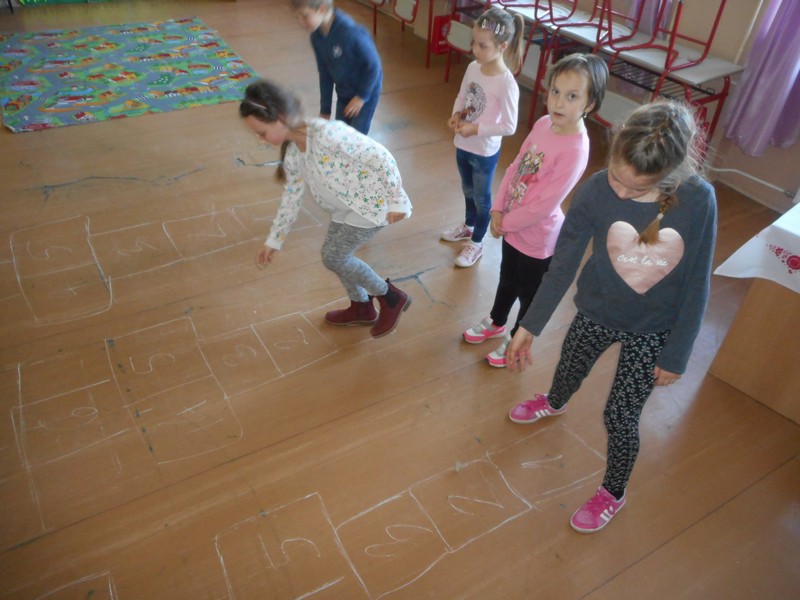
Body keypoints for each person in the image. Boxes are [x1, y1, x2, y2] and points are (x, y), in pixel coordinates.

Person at [505, 100, 717, 533]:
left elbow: (698, 281)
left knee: (620, 416)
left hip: (654, 329)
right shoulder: (596, 189)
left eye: (635, 190)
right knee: (570, 365)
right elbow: (563, 263)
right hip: (597, 309)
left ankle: (613, 491)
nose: (619, 193)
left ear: (669, 174)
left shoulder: (698, 200)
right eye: (616, 178)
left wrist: (676, 354)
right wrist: (530, 325)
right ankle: (555, 400)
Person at [462, 53, 608, 367]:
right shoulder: (543, 124)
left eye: (572, 96)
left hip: (537, 241)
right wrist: (497, 209)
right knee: (506, 279)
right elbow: (516, 165)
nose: (559, 102)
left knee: (529, 293)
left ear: (591, 103)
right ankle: (497, 321)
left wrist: (506, 221)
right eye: (555, 91)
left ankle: (517, 337)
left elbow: (544, 206)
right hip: (511, 227)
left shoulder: (576, 149)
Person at [241, 80, 412, 338]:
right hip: (346, 207)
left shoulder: (328, 134)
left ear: (281, 118)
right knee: (332, 256)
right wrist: (274, 239)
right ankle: (362, 307)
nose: (259, 140)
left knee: (335, 257)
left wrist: (396, 198)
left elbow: (380, 156)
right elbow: (291, 197)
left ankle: (390, 297)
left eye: (261, 133)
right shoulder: (293, 153)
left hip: (371, 205)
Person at [441, 6, 524, 268]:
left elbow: (509, 126)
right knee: (467, 189)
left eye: (482, 45)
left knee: (482, 198)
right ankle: (468, 225)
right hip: (463, 143)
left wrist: (476, 129)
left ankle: (476, 242)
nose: (475, 50)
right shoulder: (473, 67)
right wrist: (456, 115)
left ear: (502, 46)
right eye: (474, 43)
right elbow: (462, 95)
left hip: (484, 151)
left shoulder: (506, 83)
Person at [292, 0, 383, 135]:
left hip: (365, 93)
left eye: (304, 15)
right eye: (298, 16)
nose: (300, 21)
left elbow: (374, 66)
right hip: (344, 92)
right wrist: (325, 109)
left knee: (356, 137)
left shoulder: (351, 32)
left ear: (322, 9)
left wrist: (361, 97)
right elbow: (325, 74)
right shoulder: (316, 37)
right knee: (340, 134)